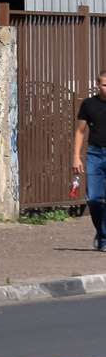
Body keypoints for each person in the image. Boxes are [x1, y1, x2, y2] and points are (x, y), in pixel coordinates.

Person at [72, 70, 106, 251]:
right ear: (98, 85)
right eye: (105, 85)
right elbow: (80, 131)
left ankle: (103, 237)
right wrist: (76, 156)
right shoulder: (89, 104)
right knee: (93, 198)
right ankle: (102, 233)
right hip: (94, 154)